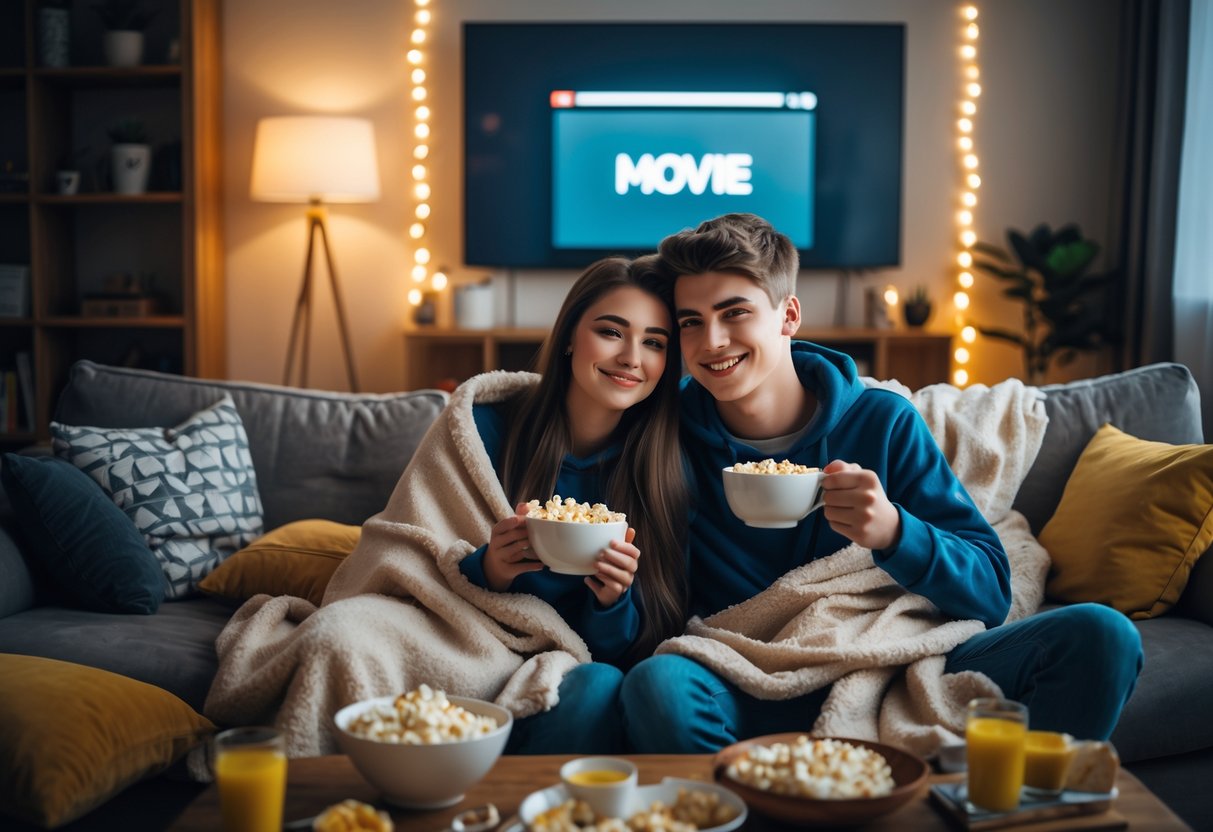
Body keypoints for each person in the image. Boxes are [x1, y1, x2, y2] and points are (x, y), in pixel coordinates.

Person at [619, 213, 1142, 752]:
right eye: (691, 322)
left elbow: (990, 590)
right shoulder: (664, 435)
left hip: (891, 661)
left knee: (1101, 635)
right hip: (744, 670)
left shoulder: (883, 421)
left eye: (735, 314)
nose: (713, 341)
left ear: (788, 315)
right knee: (660, 686)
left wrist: (896, 532)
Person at [458, 255, 689, 753]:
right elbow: (422, 559)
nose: (632, 357)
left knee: (601, 685)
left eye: (654, 342)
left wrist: (613, 601)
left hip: (580, 674)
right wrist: (490, 569)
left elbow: (628, 650)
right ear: (568, 337)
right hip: (475, 651)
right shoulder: (483, 432)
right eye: (612, 331)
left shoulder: (663, 470)